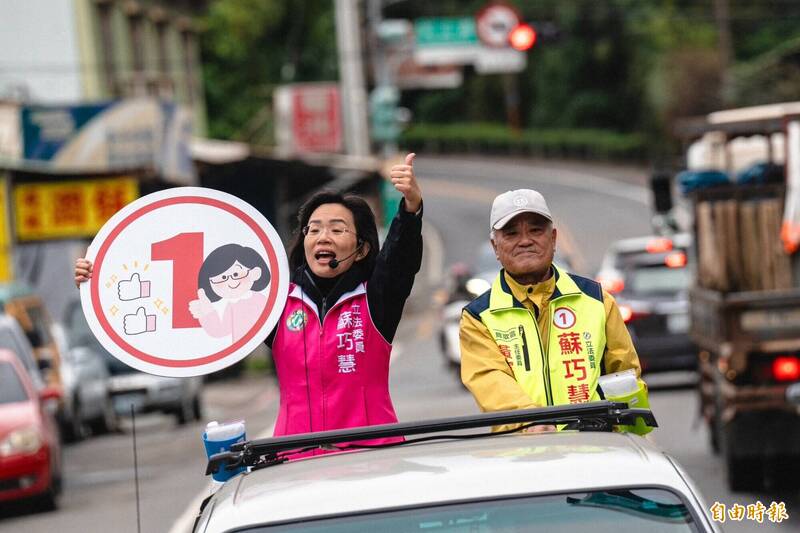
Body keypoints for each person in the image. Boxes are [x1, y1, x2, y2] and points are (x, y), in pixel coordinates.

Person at [75, 153, 423, 449]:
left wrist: (410, 208)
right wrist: (100, 277)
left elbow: (399, 258)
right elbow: (181, 292)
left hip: (373, 457)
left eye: (336, 229)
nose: (322, 237)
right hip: (295, 462)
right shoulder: (273, 302)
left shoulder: (376, 299)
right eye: (313, 229)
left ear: (361, 248)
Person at [459, 189, 645, 433]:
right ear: (496, 246)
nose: (525, 240)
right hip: (521, 458)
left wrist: (633, 438)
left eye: (536, 230)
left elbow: (625, 376)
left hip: (597, 453)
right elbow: (490, 380)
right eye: (511, 233)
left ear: (554, 238)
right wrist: (531, 421)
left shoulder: (596, 300)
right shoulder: (478, 317)